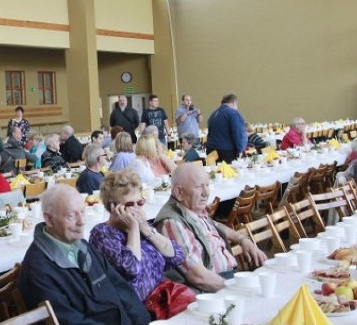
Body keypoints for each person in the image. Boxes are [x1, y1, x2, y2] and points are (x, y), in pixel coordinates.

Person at [18, 185, 150, 325]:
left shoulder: (81, 245)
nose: (81, 222)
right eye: (72, 215)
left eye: (83, 212)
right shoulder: (38, 267)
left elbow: (119, 286)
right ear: (49, 219)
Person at [155, 164, 267, 292]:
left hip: (230, 277)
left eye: (207, 185)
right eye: (199, 187)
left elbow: (216, 226)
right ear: (179, 192)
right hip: (214, 289)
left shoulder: (192, 209)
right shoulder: (173, 222)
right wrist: (237, 289)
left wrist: (243, 240)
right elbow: (199, 277)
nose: (206, 193)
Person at [89, 171, 185, 303]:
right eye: (129, 204)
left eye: (139, 203)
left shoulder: (143, 227)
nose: (137, 208)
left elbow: (176, 255)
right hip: (139, 311)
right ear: (113, 207)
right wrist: (133, 229)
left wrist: (145, 229)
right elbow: (132, 268)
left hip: (164, 300)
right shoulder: (102, 233)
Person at [205, 93, 247, 163]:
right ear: (234, 103)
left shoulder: (213, 114)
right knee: (229, 173)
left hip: (211, 150)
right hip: (226, 151)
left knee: (215, 172)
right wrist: (241, 149)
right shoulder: (233, 113)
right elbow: (238, 133)